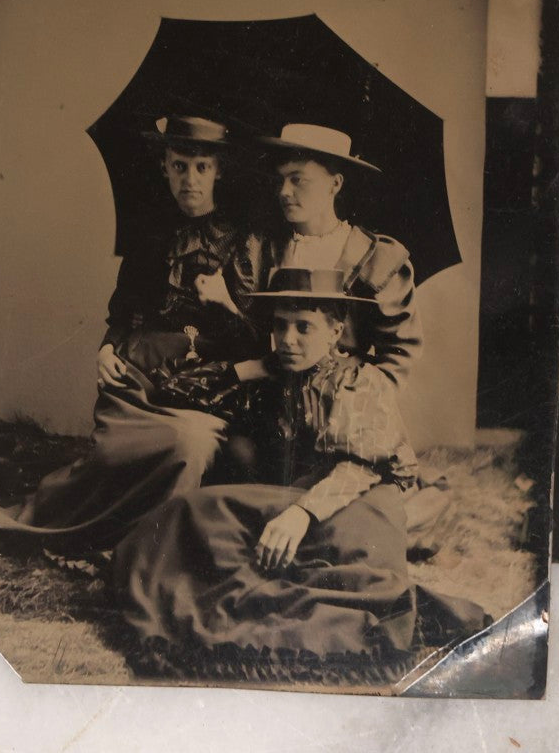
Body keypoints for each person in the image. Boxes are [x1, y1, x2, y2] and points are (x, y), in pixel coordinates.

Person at [115, 268, 485, 682]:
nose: (288, 340)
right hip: (299, 493)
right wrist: (246, 370)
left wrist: (300, 515)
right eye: (280, 326)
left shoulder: (359, 381)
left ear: (335, 332)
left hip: (365, 496)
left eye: (304, 327)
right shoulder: (278, 372)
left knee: (337, 565)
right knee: (192, 512)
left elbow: (359, 467)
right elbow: (172, 392)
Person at [0, 115, 264, 553]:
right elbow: (124, 311)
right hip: (140, 373)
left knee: (185, 447)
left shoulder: (243, 242)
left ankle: (146, 549)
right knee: (113, 455)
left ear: (219, 171)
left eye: (202, 167)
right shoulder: (150, 233)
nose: (189, 179)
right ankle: (86, 526)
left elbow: (256, 340)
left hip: (204, 386)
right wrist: (106, 349)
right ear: (164, 167)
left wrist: (225, 301)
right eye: (179, 166)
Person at [203, 123, 423, 395]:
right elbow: (257, 338)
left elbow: (399, 359)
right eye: (280, 180)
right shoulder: (261, 250)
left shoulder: (374, 257)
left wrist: (346, 396)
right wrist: (227, 306)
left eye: (298, 180)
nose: (284, 192)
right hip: (268, 396)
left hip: (344, 401)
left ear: (335, 184)